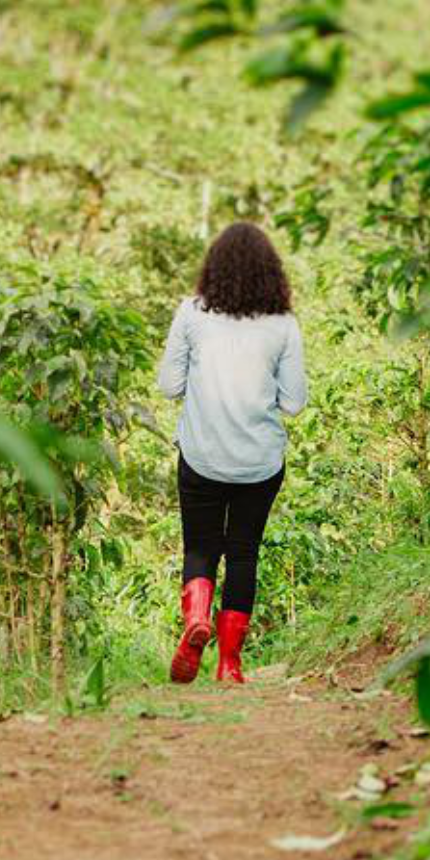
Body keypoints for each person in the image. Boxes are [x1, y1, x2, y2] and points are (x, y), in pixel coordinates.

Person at [155, 221, 307, 684]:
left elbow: (168, 387)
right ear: (270, 273)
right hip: (259, 463)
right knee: (243, 554)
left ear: (213, 268)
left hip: (202, 455)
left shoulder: (191, 313)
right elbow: (294, 403)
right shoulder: (283, 325)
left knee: (200, 547)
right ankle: (230, 664)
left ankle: (196, 618)